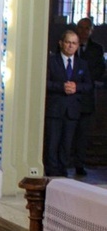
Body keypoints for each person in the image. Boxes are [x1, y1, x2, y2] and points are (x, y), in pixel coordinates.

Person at [44, 30, 92, 177]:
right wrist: (61, 87)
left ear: (78, 46)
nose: (71, 46)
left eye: (74, 43)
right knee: (53, 141)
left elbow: (89, 85)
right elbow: (45, 82)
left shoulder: (82, 64)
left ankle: (63, 168)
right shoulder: (52, 61)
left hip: (72, 110)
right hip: (55, 108)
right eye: (68, 42)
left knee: (67, 141)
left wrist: (76, 87)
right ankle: (52, 169)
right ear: (61, 43)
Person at [72, 18, 106, 176]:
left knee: (82, 133)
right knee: (66, 132)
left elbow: (99, 71)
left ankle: (79, 163)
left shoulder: (97, 49)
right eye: (81, 27)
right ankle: (63, 163)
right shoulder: (69, 44)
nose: (84, 31)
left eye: (87, 28)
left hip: (86, 97)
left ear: (91, 30)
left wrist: (84, 82)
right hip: (69, 96)